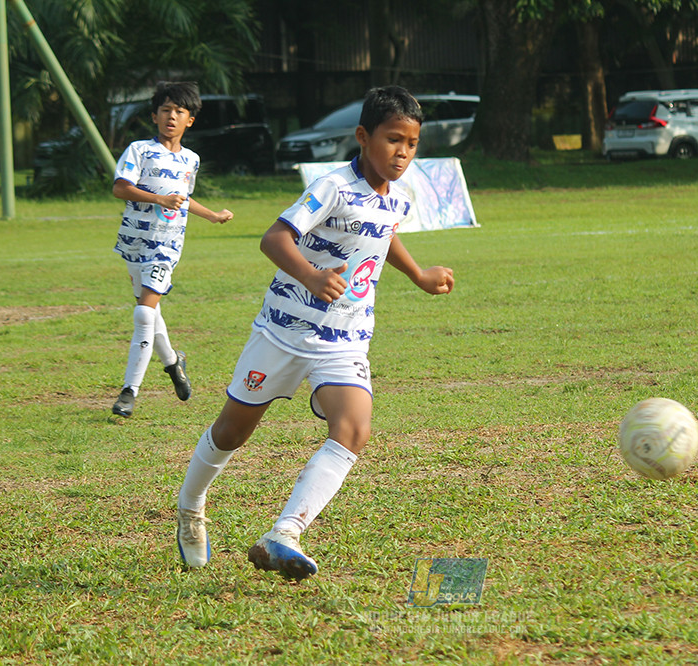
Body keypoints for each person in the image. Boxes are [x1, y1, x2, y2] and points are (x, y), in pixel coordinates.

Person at [174, 85, 454, 579]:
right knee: (233, 431)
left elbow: (382, 233)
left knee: (353, 429)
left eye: (412, 143)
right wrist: (311, 276)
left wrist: (418, 275)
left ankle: (284, 534)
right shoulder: (332, 187)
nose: (403, 153)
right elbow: (274, 238)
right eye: (393, 140)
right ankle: (191, 507)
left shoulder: (398, 198)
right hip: (283, 332)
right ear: (363, 137)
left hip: (345, 338)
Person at [111, 82, 233, 418]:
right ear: (154, 116)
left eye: (179, 111)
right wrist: (159, 199)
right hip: (135, 240)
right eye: (165, 110)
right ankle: (173, 361)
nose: (171, 116)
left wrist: (212, 215)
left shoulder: (191, 159)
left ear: (189, 120)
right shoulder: (139, 150)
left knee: (143, 314)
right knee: (150, 312)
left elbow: (183, 198)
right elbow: (120, 188)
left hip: (166, 246)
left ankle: (129, 392)